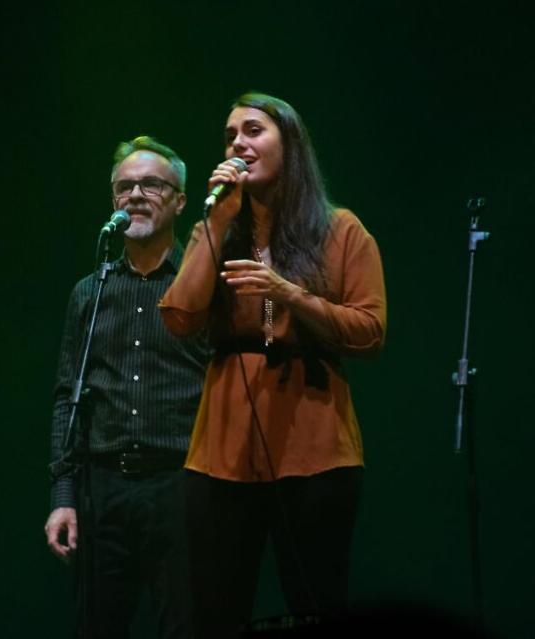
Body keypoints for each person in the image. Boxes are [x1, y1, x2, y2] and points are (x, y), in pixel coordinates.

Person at [159, 92, 387, 637]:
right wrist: (217, 221)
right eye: (230, 134)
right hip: (222, 452)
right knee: (215, 610)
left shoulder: (342, 230)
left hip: (315, 448)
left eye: (253, 130)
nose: (238, 142)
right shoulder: (215, 229)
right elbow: (178, 317)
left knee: (317, 604)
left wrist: (290, 295)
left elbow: (371, 331)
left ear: (291, 143)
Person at [46, 137, 210, 638]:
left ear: (180, 200)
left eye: (151, 185)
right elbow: (67, 397)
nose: (135, 195)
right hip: (104, 492)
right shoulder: (89, 292)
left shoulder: (202, 286)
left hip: (179, 487)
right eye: (125, 187)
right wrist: (63, 494)